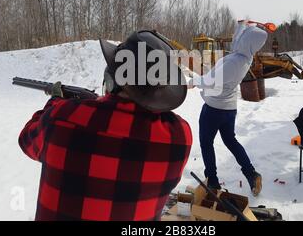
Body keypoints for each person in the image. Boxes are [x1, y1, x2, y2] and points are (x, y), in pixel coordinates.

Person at [19, 30, 192, 221]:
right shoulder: (180, 137)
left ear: (111, 79)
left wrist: (54, 102)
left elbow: (27, 140)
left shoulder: (61, 116)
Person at [189, 22, 269, 196]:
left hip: (213, 109)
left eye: (242, 36)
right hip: (229, 109)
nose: (237, 37)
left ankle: (213, 181)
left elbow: (211, 81)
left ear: (246, 42)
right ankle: (251, 174)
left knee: (206, 143)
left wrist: (193, 81)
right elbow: (216, 74)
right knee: (230, 141)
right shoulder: (243, 57)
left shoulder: (236, 62)